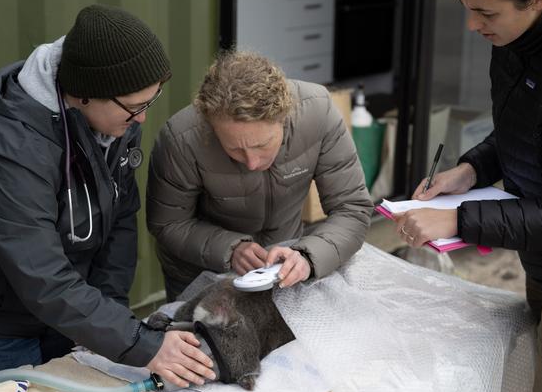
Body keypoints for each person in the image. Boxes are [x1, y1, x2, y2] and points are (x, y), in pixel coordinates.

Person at [0, 4, 215, 392]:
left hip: (61, 314)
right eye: (135, 106)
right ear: (85, 95)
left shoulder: (114, 122)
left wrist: (107, 320)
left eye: (151, 101)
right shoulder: (5, 149)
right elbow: (41, 275)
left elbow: (120, 221)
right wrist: (137, 342)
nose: (142, 118)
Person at [392, 0, 542, 392]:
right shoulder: (517, 35)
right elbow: (524, 133)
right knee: (534, 361)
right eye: (467, 8)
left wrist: (458, 221)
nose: (472, 25)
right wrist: (470, 170)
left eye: (486, 13)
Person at [146, 50, 373, 301]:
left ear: (284, 117)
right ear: (211, 126)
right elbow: (168, 222)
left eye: (262, 145)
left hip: (283, 264)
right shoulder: (181, 139)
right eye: (234, 149)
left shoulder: (318, 112)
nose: (252, 163)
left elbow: (351, 207)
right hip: (200, 271)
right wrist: (230, 249)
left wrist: (308, 256)